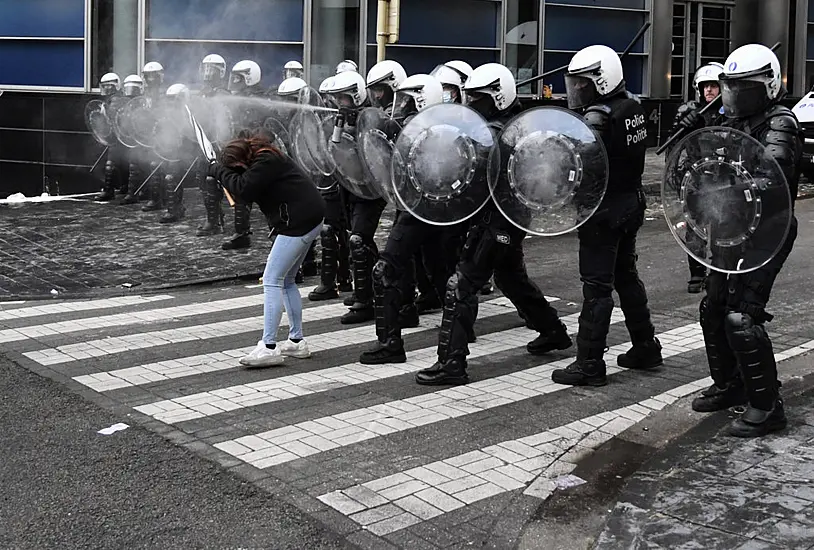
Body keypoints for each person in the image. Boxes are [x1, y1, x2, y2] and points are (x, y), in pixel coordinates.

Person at [415, 63, 571, 386]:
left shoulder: (497, 134)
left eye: (479, 99)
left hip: (495, 222)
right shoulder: (514, 126)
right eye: (470, 97)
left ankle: (451, 364)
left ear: (498, 97)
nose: (472, 105)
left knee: (462, 284)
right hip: (509, 221)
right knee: (512, 279)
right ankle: (553, 331)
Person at [688, 44, 801, 437]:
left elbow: (771, 175)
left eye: (743, 89)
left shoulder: (780, 123)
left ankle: (768, 406)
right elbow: (702, 161)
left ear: (767, 87)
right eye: (731, 88)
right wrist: (691, 130)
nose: (735, 98)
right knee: (714, 306)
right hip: (731, 226)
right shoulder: (735, 120)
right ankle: (730, 384)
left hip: (768, 230)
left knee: (743, 317)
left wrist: (729, 179)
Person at [551, 45, 662, 387]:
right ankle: (646, 346)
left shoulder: (597, 117)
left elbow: (580, 163)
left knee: (597, 286)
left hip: (603, 211)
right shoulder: (632, 107)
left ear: (602, 79)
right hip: (631, 202)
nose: (578, 90)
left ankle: (589, 363)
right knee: (626, 276)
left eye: (584, 83)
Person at [208, 135, 326, 366]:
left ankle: (269, 346)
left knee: (272, 280)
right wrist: (224, 173)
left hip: (298, 222)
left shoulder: (265, 161)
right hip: (307, 218)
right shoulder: (264, 158)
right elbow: (245, 189)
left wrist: (217, 171)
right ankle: (296, 341)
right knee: (288, 281)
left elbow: (244, 187)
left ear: (241, 161)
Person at [360, 73, 451, 364]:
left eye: (408, 101)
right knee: (442, 274)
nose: (400, 107)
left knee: (385, 269)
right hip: (425, 212)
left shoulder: (432, 133)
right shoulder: (427, 129)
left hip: (419, 211)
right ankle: (459, 329)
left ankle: (391, 344)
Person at [323, 70, 388, 324]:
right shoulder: (341, 120)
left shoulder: (372, 118)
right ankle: (369, 291)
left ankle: (365, 304)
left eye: (344, 98)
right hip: (349, 187)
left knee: (359, 240)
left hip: (370, 190)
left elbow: (374, 151)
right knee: (361, 240)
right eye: (337, 98)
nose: (340, 103)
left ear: (356, 95)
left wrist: (355, 125)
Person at [670, 62, 725, 293]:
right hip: (696, 178)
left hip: (723, 179)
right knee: (694, 227)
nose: (709, 91)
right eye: (705, 87)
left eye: (713, 86)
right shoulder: (690, 112)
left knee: (724, 228)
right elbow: (674, 145)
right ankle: (696, 273)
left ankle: (719, 273)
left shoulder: (731, 112)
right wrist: (674, 173)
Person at [308, 76, 354, 301]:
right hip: (330, 179)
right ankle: (339, 279)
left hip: (347, 182)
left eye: (339, 98)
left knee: (338, 231)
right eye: (330, 98)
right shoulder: (327, 120)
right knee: (333, 230)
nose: (333, 103)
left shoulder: (357, 117)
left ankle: (334, 281)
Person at [223, 59, 267, 250]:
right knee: (241, 193)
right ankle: (242, 234)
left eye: (239, 79)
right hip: (243, 150)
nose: (234, 83)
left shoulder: (259, 99)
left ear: (250, 78)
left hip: (257, 152)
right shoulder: (239, 99)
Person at [196, 54, 231, 236]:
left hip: (217, 144)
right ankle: (213, 216)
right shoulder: (202, 92)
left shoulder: (223, 94)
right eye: (206, 69)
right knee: (202, 180)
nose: (208, 74)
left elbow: (224, 120)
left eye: (212, 70)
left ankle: (214, 222)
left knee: (212, 181)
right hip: (203, 141)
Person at [94, 72, 128, 202]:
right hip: (120, 136)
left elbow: (113, 118)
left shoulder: (116, 101)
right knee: (124, 163)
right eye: (105, 86)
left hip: (119, 136)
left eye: (110, 86)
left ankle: (109, 191)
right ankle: (124, 187)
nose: (107, 89)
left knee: (111, 164)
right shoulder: (111, 100)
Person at [140, 61, 167, 213]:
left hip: (162, 133)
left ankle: (158, 199)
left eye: (153, 76)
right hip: (148, 133)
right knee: (150, 165)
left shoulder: (164, 93)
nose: (150, 80)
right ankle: (154, 196)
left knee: (158, 165)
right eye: (147, 76)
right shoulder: (145, 94)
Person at [120, 74, 148, 205]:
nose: (131, 92)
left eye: (133, 88)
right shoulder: (127, 105)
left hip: (143, 138)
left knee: (141, 166)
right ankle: (133, 192)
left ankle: (137, 192)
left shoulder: (144, 102)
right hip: (132, 138)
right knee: (134, 165)